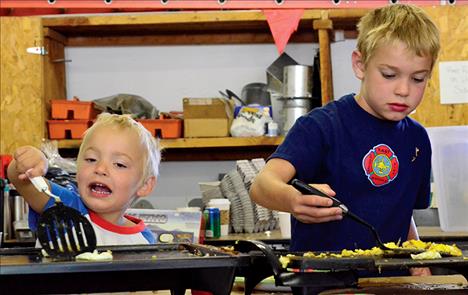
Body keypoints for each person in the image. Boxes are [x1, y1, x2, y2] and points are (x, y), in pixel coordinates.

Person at [250, 4, 440, 276]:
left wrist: (417, 253)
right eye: (389, 75)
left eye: (418, 79)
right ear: (360, 65)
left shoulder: (417, 139)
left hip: (388, 284)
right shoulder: (321, 126)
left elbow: (401, 211)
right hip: (324, 283)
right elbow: (261, 186)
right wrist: (292, 200)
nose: (403, 90)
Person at [8, 113, 161, 245]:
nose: (100, 169)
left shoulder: (144, 239)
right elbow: (21, 179)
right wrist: (30, 162)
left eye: (119, 164)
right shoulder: (65, 206)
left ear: (145, 185)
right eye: (91, 159)